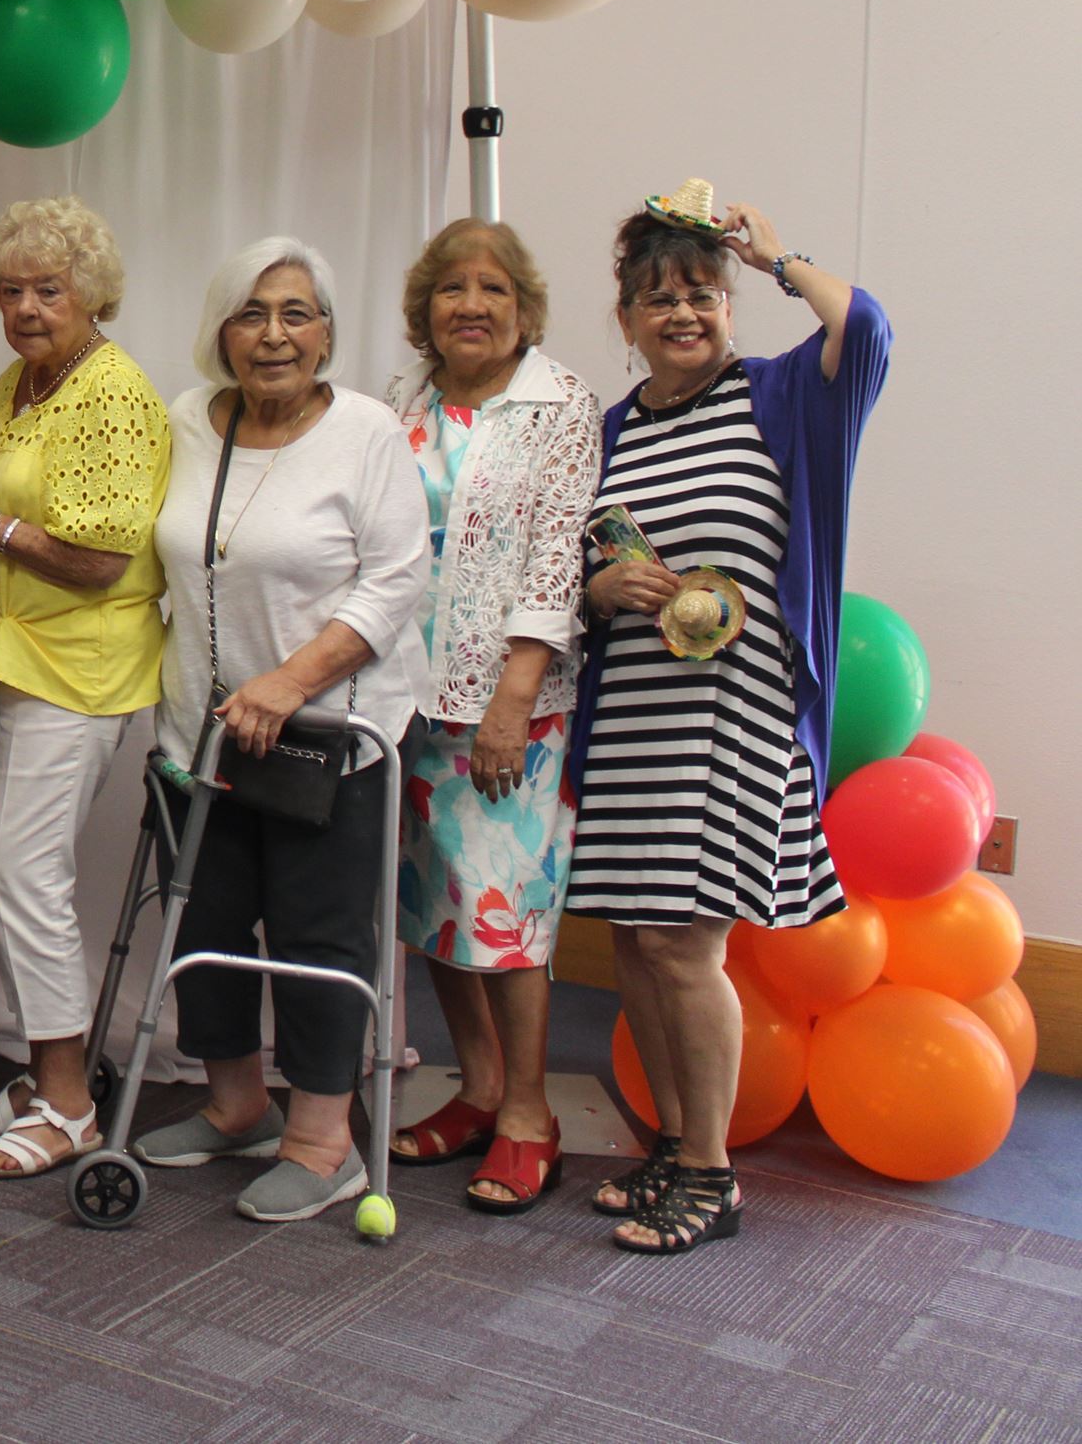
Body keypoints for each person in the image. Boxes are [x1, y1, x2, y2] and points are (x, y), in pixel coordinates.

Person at [567, 192, 890, 1254]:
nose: (681, 314)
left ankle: (708, 1175)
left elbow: (867, 326)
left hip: (729, 719)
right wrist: (600, 589)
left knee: (681, 944)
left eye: (700, 294)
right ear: (623, 320)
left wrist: (767, 254)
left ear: (729, 306)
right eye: (657, 298)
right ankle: (669, 1144)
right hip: (628, 727)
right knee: (634, 943)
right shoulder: (610, 433)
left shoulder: (781, 396)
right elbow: (582, 566)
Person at [134, 237, 431, 1224]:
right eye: (251, 313)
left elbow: (395, 584)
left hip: (329, 733)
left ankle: (320, 1139)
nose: (272, 335)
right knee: (207, 923)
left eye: (295, 313)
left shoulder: (365, 431)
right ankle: (234, 1105)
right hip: (201, 733)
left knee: (317, 936)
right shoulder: (183, 420)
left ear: (328, 332)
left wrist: (286, 683)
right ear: (219, 329)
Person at [0, 197, 169, 1180]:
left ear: (88, 291)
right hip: (6, 661)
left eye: (46, 289)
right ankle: (39, 1068)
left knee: (23, 875)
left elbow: (98, 559)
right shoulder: (19, 382)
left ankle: (66, 1103)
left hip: (80, 669)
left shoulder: (109, 392)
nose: (24, 308)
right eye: (8, 291)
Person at [379, 220, 598, 1212]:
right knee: (432, 906)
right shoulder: (398, 400)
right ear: (425, 308)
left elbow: (557, 562)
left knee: (508, 912)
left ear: (523, 309)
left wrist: (511, 700)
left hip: (508, 706)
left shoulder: (558, 404)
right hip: (403, 698)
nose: (470, 303)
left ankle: (526, 1113)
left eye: (492, 288)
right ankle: (474, 1088)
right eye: (451, 287)